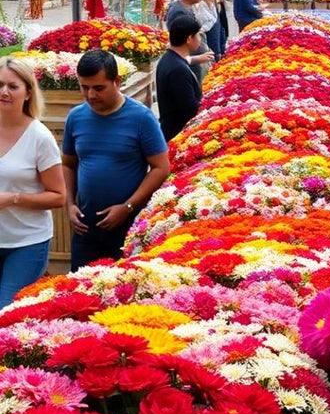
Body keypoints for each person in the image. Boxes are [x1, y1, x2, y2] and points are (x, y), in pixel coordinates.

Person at [62, 49, 169, 271]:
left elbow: (161, 167)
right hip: (85, 227)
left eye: (98, 88)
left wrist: (128, 206)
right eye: (84, 87)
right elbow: (68, 164)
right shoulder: (76, 117)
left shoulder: (141, 118)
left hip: (128, 226)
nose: (91, 95)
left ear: (117, 82)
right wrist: (70, 204)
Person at [0, 59, 65, 307]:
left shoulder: (39, 137)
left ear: (28, 93)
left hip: (26, 243)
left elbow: (58, 196)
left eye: (13, 86)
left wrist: (13, 198)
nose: (4, 92)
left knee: (6, 312)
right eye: (0, 84)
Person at [156, 16, 205, 142]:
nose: (200, 39)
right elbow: (189, 109)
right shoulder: (178, 69)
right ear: (189, 38)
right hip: (178, 135)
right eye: (198, 35)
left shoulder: (169, 59)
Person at [165, 0, 214, 83]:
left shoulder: (188, 7)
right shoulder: (179, 13)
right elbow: (180, 45)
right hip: (191, 64)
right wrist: (197, 58)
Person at [192, 0, 221, 65]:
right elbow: (206, 24)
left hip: (216, 44)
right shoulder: (199, 6)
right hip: (207, 45)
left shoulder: (213, 6)